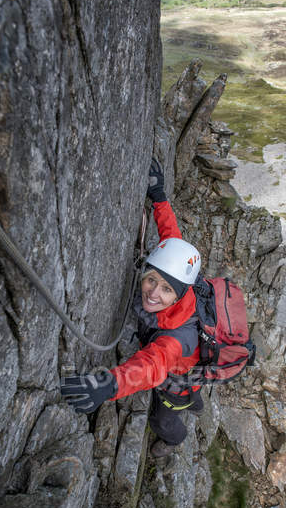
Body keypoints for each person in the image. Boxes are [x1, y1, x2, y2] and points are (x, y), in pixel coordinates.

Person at [61, 160, 203, 457]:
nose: (153, 292)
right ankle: (196, 400)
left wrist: (108, 385)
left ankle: (174, 439)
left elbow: (153, 365)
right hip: (191, 362)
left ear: (179, 296)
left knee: (163, 416)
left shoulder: (176, 339)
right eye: (152, 279)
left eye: (166, 290)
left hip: (177, 374)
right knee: (191, 391)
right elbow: (171, 238)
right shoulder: (182, 283)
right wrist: (160, 197)